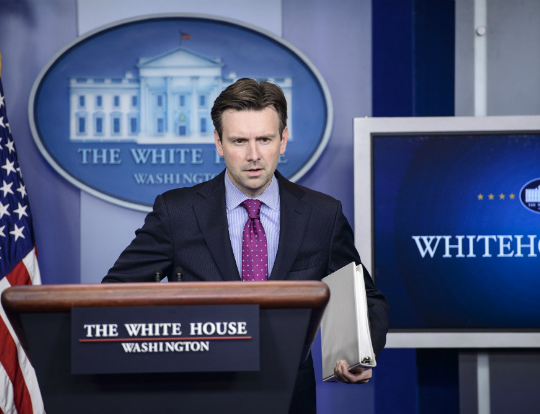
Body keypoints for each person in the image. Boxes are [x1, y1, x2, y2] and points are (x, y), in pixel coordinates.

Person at [103, 78, 389, 413]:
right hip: (196, 399)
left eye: (264, 139)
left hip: (289, 400)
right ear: (219, 142)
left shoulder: (321, 215)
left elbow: (365, 301)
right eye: (239, 141)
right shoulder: (177, 214)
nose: (253, 156)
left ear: (283, 140)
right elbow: (116, 294)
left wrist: (357, 352)